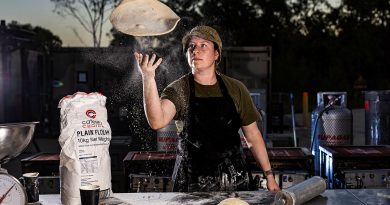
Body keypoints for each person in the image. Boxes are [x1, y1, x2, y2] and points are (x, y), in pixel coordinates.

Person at [134, 25, 280, 192]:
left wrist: (269, 175)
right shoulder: (179, 89)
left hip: (233, 180)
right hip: (191, 183)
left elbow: (253, 136)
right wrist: (148, 78)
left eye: (203, 45)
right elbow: (156, 121)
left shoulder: (236, 89)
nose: (195, 50)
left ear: (216, 54)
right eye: (191, 46)